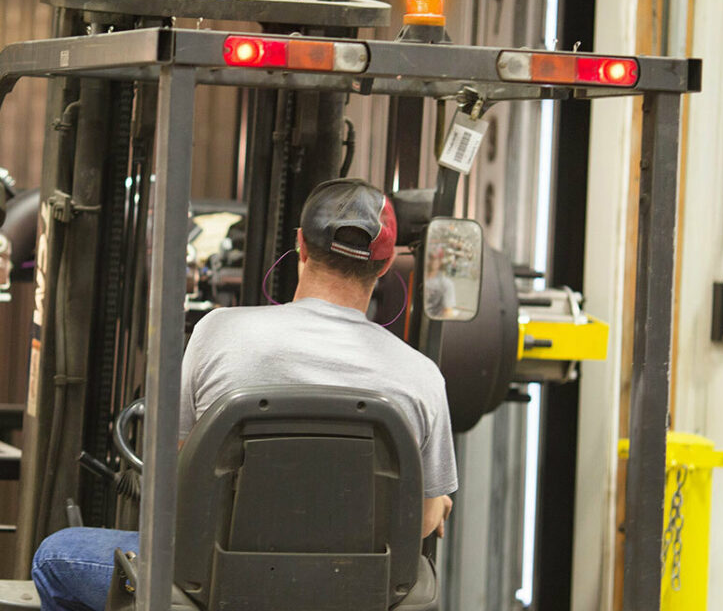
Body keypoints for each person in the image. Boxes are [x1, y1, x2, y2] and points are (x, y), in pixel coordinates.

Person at [31, 178, 457, 611]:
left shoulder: (217, 332)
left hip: (213, 589)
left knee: (55, 556)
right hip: (347, 595)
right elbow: (417, 521)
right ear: (384, 267)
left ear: (301, 246)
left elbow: (180, 472)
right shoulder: (421, 377)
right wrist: (436, 505)